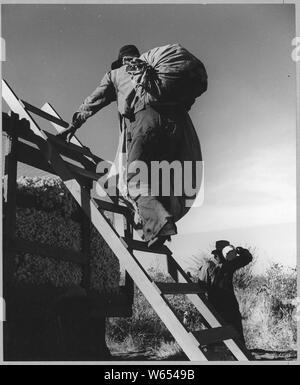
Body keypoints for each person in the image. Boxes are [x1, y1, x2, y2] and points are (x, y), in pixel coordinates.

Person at [57, 44, 202, 247]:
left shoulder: (116, 73)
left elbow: (94, 100)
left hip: (145, 121)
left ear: (121, 60)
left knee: (134, 177)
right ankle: (160, 223)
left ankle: (160, 225)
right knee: (160, 177)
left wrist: (75, 123)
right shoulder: (154, 73)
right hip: (177, 127)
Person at [198, 240, 253, 344]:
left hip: (223, 305)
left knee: (232, 335)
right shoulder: (214, 265)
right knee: (225, 335)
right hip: (221, 305)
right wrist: (240, 251)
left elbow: (247, 258)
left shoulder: (226, 264)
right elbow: (201, 287)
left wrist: (240, 251)